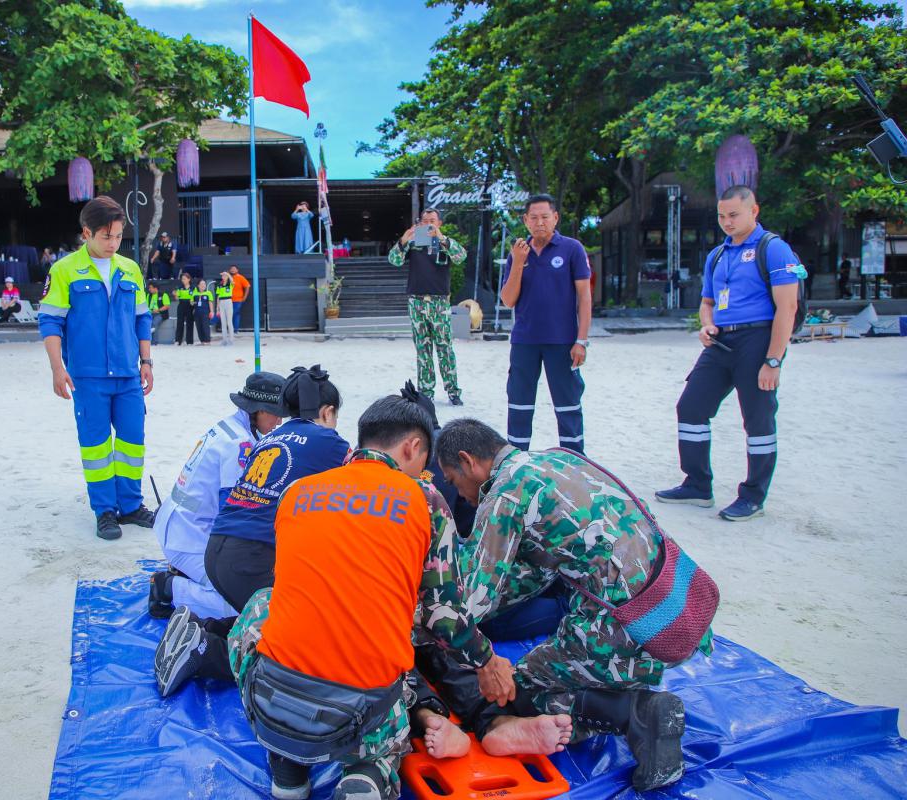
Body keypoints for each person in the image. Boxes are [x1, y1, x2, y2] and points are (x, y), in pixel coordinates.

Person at [212, 396, 530, 800]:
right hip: (359, 709)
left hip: (272, 700)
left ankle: (287, 762)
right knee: (392, 652)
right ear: (413, 447)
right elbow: (443, 616)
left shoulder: (298, 492)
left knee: (264, 601)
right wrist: (487, 661)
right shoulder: (425, 500)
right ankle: (370, 771)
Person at [436, 418, 714, 792]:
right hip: (680, 610)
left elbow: (470, 599)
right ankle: (630, 697)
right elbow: (538, 573)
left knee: (518, 690)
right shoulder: (560, 459)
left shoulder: (504, 495)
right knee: (554, 653)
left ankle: (638, 714)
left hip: (627, 627)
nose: (461, 495)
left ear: (468, 461)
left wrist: (431, 619)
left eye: (454, 481)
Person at [153, 366, 350, 699]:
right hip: (220, 546)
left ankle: (199, 629)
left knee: (258, 610)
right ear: (328, 412)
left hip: (215, 543)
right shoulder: (327, 443)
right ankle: (203, 650)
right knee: (292, 638)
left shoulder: (268, 439)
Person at [655, 185, 802, 521]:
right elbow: (707, 303)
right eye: (722, 216)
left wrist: (773, 360)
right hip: (721, 342)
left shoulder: (774, 249)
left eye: (734, 214)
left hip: (758, 339)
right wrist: (706, 325)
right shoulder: (717, 255)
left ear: (754, 210)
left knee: (758, 419)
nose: (727, 222)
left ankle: (753, 496)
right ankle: (697, 485)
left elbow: (788, 307)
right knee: (690, 407)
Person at [38, 195, 156, 542]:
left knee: (132, 442)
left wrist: (146, 362)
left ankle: (130, 506)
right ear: (86, 233)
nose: (113, 243)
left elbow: (142, 317)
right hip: (87, 377)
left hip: (128, 375)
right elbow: (50, 321)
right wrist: (57, 369)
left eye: (118, 236)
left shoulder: (129, 269)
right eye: (106, 236)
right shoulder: (64, 270)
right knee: (96, 446)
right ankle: (105, 510)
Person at [149, 372, 288, 621]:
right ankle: (168, 587)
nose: (279, 420)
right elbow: (232, 511)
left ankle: (186, 573)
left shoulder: (229, 427)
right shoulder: (240, 445)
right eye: (275, 413)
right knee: (243, 606)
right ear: (258, 410)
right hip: (188, 537)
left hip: (181, 524)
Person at [498, 193, 592, 453]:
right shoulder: (518, 253)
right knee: (519, 404)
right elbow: (508, 300)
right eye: (534, 218)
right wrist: (518, 263)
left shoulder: (572, 249)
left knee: (568, 405)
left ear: (555, 218)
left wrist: (581, 340)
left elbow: (584, 297)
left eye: (545, 217)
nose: (539, 222)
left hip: (562, 341)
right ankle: (516, 460)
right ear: (525, 220)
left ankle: (575, 460)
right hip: (524, 341)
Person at [388, 207, 466, 406]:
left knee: (445, 348)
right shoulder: (414, 243)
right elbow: (394, 260)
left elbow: (461, 257)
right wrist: (403, 241)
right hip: (417, 301)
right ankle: (426, 392)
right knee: (423, 349)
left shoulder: (445, 243)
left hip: (439, 302)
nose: (429, 224)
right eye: (425, 221)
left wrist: (441, 238)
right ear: (420, 223)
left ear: (439, 223)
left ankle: (453, 391)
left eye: (433, 220)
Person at [173, 272, 196, 346]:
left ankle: (189, 341)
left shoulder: (193, 288)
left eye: (184, 279)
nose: (183, 280)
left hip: (190, 306)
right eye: (182, 279)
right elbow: (177, 298)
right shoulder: (180, 287)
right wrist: (175, 295)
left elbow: (195, 297)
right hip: (181, 305)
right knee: (180, 323)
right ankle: (178, 340)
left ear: (189, 279)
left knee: (190, 323)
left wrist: (193, 303)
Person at [228, 265, 250, 331]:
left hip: (238, 300)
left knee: (234, 313)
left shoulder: (240, 277)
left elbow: (247, 286)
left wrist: (245, 297)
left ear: (237, 270)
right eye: (231, 269)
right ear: (229, 270)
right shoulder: (227, 278)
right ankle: (234, 330)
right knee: (235, 314)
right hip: (228, 300)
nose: (233, 270)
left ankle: (235, 330)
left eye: (234, 269)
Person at [215, 271, 235, 345]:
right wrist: (217, 308)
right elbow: (218, 297)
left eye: (225, 276)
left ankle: (231, 340)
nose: (223, 277)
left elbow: (232, 280)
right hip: (221, 302)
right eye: (222, 276)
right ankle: (224, 340)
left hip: (228, 301)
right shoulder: (219, 285)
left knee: (229, 322)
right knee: (223, 322)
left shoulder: (230, 284)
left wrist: (227, 274)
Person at [192, 278, 213, 345]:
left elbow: (210, 302)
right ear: (198, 285)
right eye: (202, 284)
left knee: (205, 326)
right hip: (197, 312)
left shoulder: (208, 293)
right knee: (199, 326)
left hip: (205, 312)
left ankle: (207, 341)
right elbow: (191, 302)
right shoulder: (195, 293)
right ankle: (202, 341)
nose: (203, 285)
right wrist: (194, 302)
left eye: (204, 284)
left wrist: (211, 311)